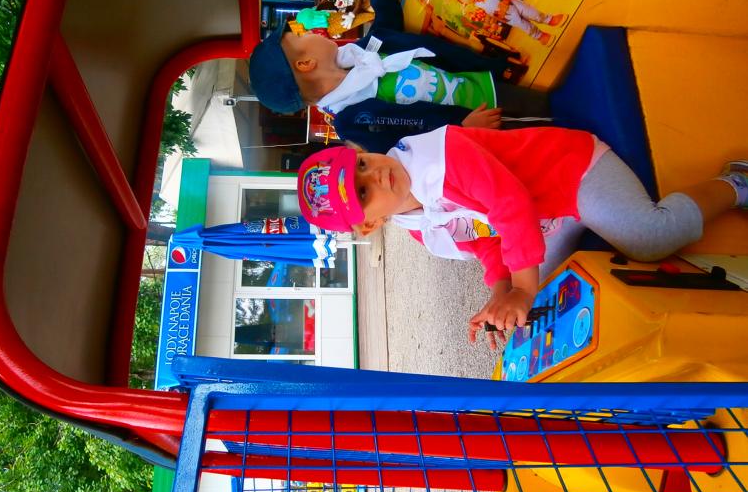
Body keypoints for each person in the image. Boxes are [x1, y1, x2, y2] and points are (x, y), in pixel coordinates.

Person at [295, 124, 748, 348]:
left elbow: (509, 204)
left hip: (571, 173)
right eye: (364, 192)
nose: (375, 174)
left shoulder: (439, 157)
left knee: (649, 238)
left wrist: (522, 289)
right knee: (539, 305)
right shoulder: (415, 221)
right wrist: (500, 294)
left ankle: (736, 183)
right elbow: (484, 242)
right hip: (544, 218)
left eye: (360, 164)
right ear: (370, 224)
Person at [249, 0, 551, 154]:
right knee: (551, 127)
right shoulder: (350, 118)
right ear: (305, 63)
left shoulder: (356, 58)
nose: (312, 32)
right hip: (480, 122)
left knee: (547, 103)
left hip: (479, 84)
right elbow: (407, 142)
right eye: (301, 36)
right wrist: (462, 129)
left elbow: (385, 34)